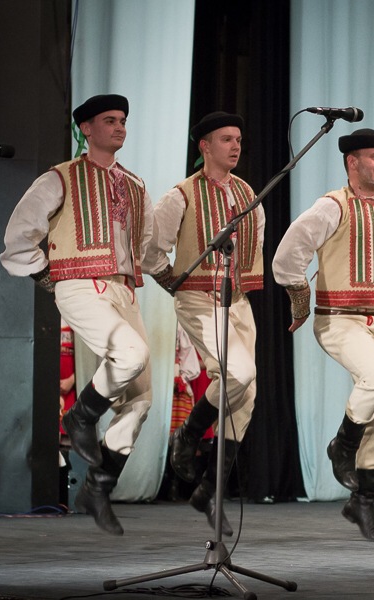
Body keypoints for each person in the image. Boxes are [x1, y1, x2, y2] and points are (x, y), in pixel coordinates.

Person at [1, 94, 154, 535]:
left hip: (123, 289)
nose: (120, 127)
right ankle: (81, 416)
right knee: (130, 354)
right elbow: (18, 237)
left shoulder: (136, 185)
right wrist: (51, 278)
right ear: (86, 128)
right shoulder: (60, 178)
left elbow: (143, 243)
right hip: (80, 283)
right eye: (109, 120)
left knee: (141, 400)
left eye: (123, 120)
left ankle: (98, 486)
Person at [273, 128, 374, 542]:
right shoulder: (333, 205)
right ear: (352, 162)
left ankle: (362, 500)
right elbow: (289, 252)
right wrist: (300, 300)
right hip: (340, 319)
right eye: (373, 157)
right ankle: (342, 447)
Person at [147, 111, 264, 536]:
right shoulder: (180, 196)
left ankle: (209, 492)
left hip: (237, 301)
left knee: (245, 396)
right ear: (205, 146)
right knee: (238, 373)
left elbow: (254, 247)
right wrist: (175, 285)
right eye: (226, 139)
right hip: (198, 298)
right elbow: (151, 251)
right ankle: (189, 433)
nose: (235, 146)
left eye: (238, 139)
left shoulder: (248, 194)